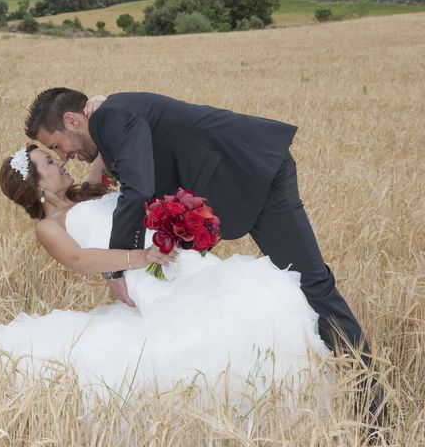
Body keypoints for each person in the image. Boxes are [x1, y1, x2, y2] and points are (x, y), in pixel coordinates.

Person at [24, 89, 370, 365]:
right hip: (237, 185)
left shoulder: (111, 116)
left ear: (71, 120)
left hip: (253, 174)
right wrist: (98, 168)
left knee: (313, 284)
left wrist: (116, 269)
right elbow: (123, 151)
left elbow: (138, 190)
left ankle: (371, 401)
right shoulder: (107, 119)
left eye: (57, 146)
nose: (63, 156)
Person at [0, 144, 330, 398]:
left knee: (257, 295)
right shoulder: (49, 226)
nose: (60, 160)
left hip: (177, 258)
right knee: (207, 332)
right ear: (37, 185)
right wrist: (140, 257)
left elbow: (102, 144)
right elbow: (80, 260)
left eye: (55, 154)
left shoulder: (89, 191)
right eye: (49, 161)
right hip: (148, 271)